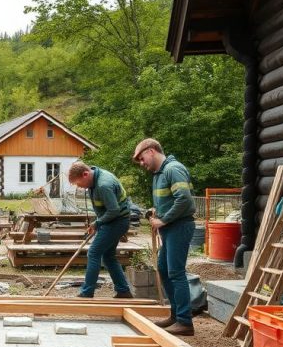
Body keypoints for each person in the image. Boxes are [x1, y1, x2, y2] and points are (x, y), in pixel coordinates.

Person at [133, 138, 197, 336]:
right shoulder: (158, 174)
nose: (142, 164)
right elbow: (172, 199)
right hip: (170, 227)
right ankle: (176, 316)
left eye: (142, 159)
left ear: (151, 151)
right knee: (163, 268)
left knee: (176, 272)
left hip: (179, 226)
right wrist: (157, 210)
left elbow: (184, 200)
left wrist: (163, 220)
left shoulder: (173, 169)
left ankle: (185, 322)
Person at [67, 161, 133, 299]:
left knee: (94, 252)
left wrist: (98, 223)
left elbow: (114, 210)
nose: (80, 187)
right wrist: (99, 223)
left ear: (85, 174)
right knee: (108, 256)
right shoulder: (93, 179)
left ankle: (87, 292)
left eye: (78, 183)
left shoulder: (103, 185)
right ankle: (123, 291)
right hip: (111, 221)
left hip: (117, 221)